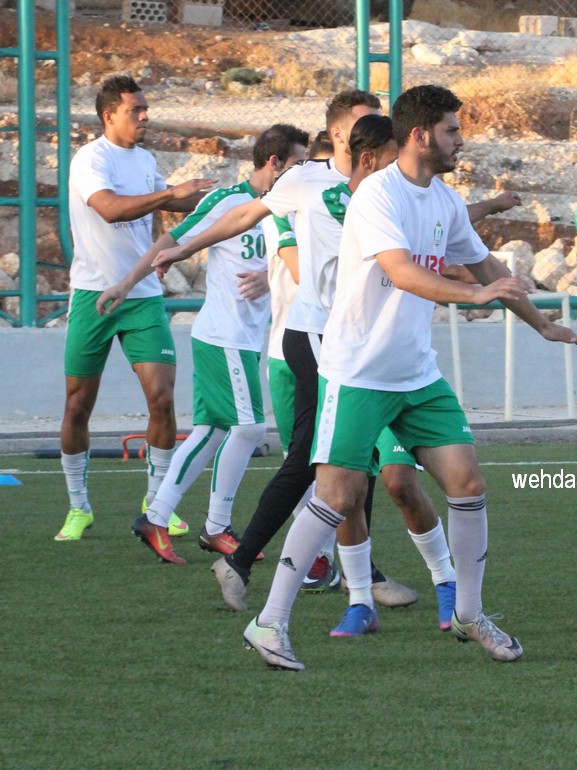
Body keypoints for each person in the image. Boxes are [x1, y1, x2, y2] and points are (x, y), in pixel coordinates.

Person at [240, 84, 577, 670]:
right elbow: (403, 272)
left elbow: (484, 264)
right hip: (358, 370)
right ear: (421, 135)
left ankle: (469, 613)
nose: (462, 141)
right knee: (338, 495)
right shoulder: (377, 195)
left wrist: (543, 325)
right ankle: (269, 622)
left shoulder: (445, 200)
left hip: (416, 373)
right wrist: (475, 294)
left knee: (468, 483)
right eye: (453, 130)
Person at [152, 92, 418, 608]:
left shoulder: (387, 185)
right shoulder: (306, 179)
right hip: (316, 335)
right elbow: (245, 215)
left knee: (352, 460)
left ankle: (347, 574)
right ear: (340, 134)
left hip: (359, 338)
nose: (378, 133)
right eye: (366, 124)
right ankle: (265, 564)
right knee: (316, 459)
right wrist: (183, 249)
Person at [96, 124, 308, 563]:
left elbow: (296, 266)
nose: (304, 172)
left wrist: (268, 278)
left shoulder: (293, 207)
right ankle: (216, 526)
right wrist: (126, 283)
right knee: (249, 429)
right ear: (274, 163)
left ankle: (157, 515)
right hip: (223, 335)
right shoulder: (227, 201)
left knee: (212, 430)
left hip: (247, 337)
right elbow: (171, 241)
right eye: (298, 163)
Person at [56, 75, 216, 543]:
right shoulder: (90, 159)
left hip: (142, 295)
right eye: (135, 110)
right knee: (77, 405)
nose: (145, 116)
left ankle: (156, 504)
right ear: (109, 116)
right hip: (94, 296)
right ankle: (78, 507)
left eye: (145, 108)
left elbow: (176, 204)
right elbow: (111, 209)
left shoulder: (144, 159)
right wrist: (170, 193)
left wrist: (235, 196)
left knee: (162, 399)